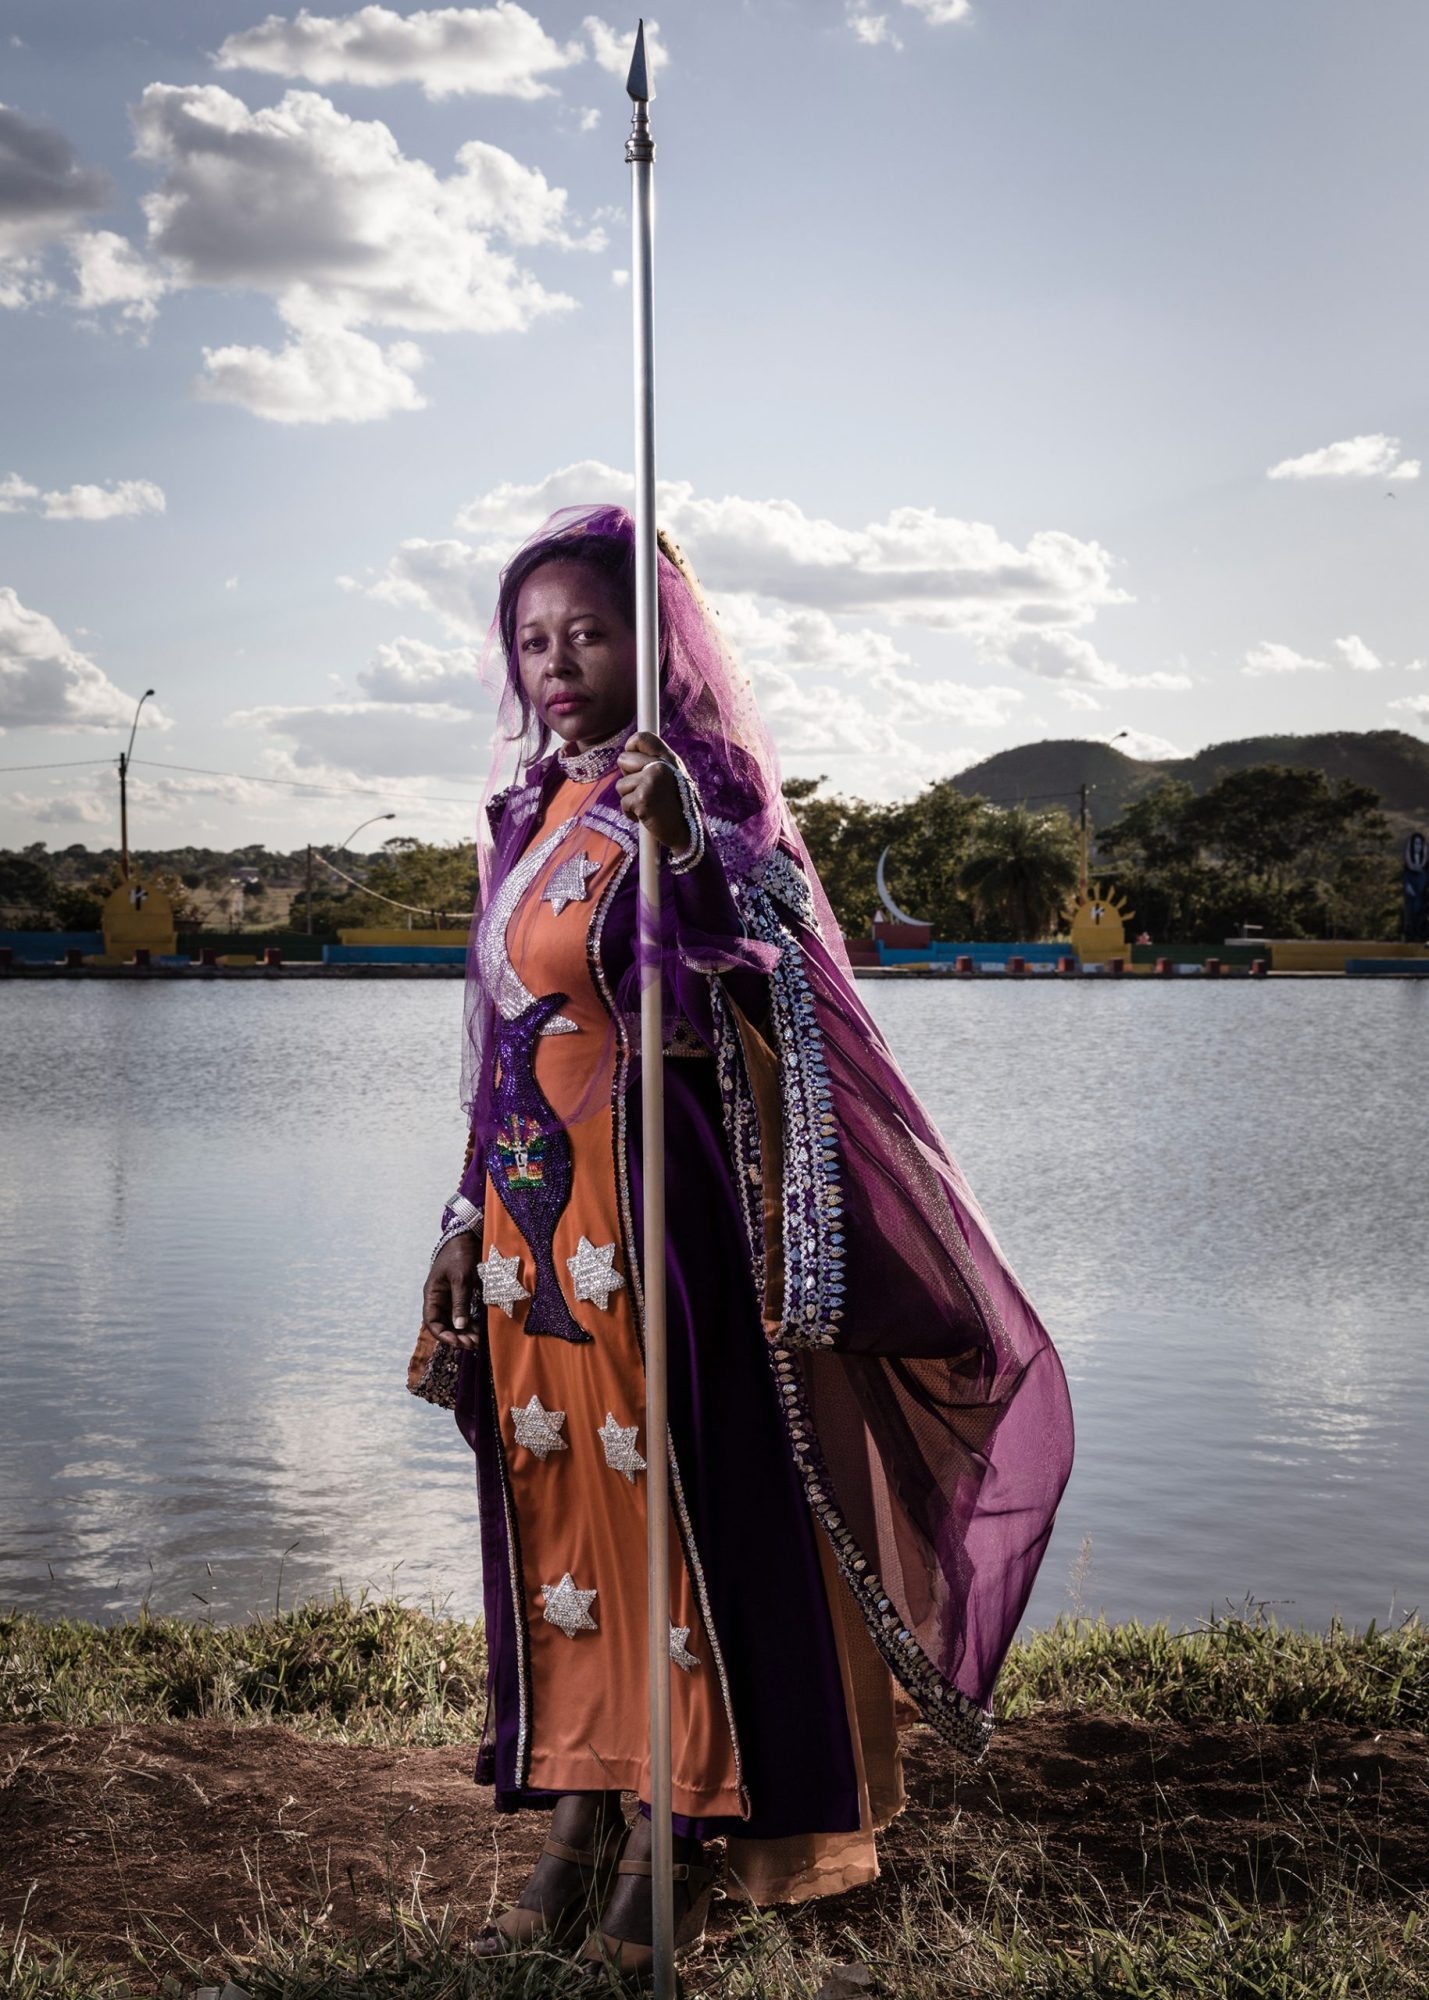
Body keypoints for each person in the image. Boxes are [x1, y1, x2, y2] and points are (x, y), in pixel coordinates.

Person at [408, 502, 1074, 1980]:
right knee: (565, 1516)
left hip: (664, 1213)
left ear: (654, 645)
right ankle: (580, 1807)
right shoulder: (521, 816)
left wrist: (684, 856)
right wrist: (460, 1217)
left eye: (589, 631)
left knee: (681, 1516)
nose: (557, 661)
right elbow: (503, 1041)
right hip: (533, 1221)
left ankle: (680, 1831)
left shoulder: (715, 800)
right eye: (533, 639)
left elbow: (762, 992)